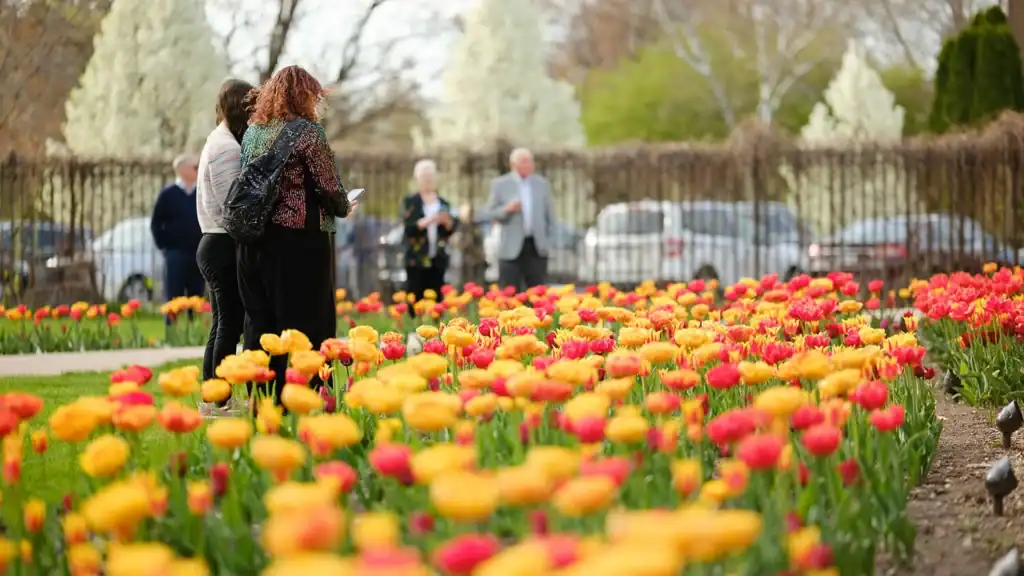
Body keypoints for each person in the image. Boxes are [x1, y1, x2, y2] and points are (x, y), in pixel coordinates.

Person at [236, 65, 353, 403]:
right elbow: (329, 187)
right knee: (303, 321)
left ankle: (263, 396)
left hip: (254, 238)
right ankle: (303, 396)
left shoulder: (253, 132)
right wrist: (345, 206)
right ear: (304, 96)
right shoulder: (308, 133)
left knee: (261, 322)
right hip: (297, 241)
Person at [195, 78, 255, 415]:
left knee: (222, 323)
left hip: (213, 240)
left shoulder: (218, 141)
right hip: (221, 241)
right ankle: (218, 398)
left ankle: (212, 397)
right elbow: (232, 204)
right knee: (229, 324)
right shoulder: (226, 148)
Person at [485, 147, 554, 291]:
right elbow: (490, 212)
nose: (528, 165)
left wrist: (548, 241)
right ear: (513, 164)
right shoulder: (500, 184)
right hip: (510, 248)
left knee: (537, 293)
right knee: (510, 293)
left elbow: (549, 217)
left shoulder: (541, 184)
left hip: (536, 247)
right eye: (524, 161)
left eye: (530, 161)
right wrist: (506, 209)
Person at [151, 153, 204, 322]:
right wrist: (166, 248)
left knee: (196, 296)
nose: (198, 170)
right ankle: (172, 334)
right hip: (176, 253)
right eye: (195, 167)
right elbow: (156, 223)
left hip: (198, 252)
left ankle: (193, 333)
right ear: (183, 170)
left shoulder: (201, 192)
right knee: (174, 296)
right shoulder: (168, 194)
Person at [401, 159, 457, 316]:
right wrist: (428, 221)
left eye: (430, 176)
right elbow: (408, 227)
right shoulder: (411, 202)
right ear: (417, 179)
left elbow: (449, 231)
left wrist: (447, 224)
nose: (428, 180)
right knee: (415, 295)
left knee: (437, 297)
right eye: (424, 176)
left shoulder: (444, 203)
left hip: (437, 258)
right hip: (416, 258)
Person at [455, 203, 487, 287]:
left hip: (475, 259)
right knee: (468, 284)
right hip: (467, 259)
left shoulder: (474, 226)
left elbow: (474, 242)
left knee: (476, 284)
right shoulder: (462, 226)